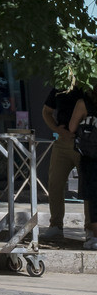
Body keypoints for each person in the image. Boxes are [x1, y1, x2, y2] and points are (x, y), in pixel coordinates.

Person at [41, 79, 94, 240]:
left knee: (87, 186)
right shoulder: (60, 87)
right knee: (55, 183)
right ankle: (56, 224)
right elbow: (46, 111)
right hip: (63, 141)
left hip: (86, 142)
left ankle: (90, 228)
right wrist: (57, 129)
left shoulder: (90, 88)